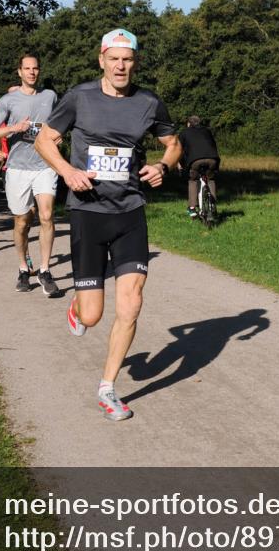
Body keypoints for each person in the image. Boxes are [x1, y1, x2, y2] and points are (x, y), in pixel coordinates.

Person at [35, 28, 182, 422]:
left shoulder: (149, 102)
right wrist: (66, 171)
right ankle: (78, 308)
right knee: (93, 316)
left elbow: (174, 143)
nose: (121, 66)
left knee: (131, 303)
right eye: (114, 58)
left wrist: (162, 166)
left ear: (135, 62)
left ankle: (108, 389)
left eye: (128, 59)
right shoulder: (79, 97)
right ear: (101, 60)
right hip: (87, 211)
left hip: (130, 210)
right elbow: (45, 141)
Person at [0, 55, 60, 295]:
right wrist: (13, 128)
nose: (32, 72)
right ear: (19, 72)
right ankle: (23, 269)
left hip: (45, 165)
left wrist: (58, 137)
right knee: (22, 221)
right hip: (17, 168)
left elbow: (60, 125)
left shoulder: (50, 97)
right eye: (27, 69)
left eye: (35, 68)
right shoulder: (8, 100)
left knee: (46, 215)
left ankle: (45, 271)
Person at [178, 115, 220, 218]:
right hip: (212, 158)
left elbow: (179, 150)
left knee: (193, 180)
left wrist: (180, 164)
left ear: (189, 123)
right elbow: (213, 144)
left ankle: (192, 208)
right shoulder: (206, 130)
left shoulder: (184, 132)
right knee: (210, 179)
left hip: (195, 160)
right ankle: (212, 205)